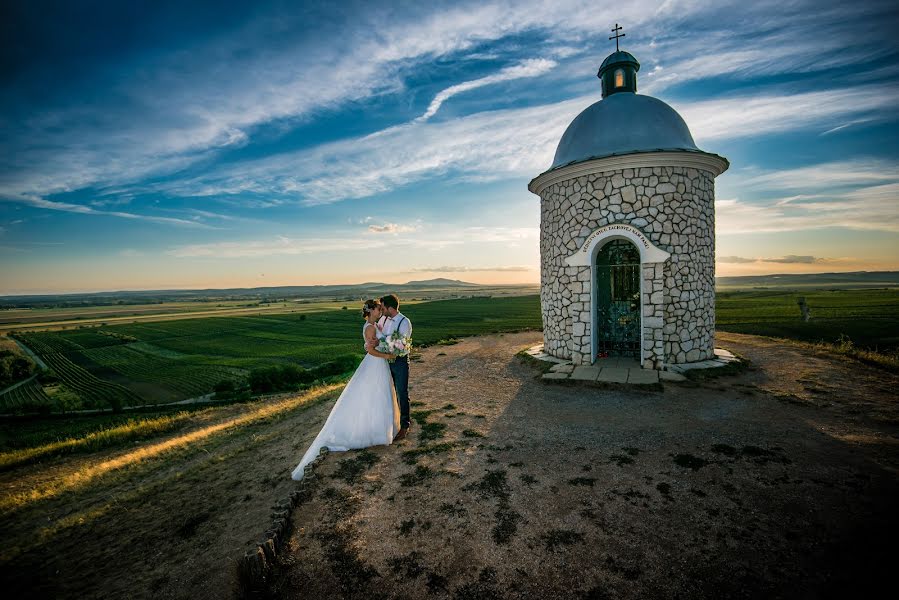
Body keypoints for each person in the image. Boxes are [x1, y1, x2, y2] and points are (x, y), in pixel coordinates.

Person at [290, 299, 400, 480]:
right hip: (375, 363)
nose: (380, 311)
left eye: (381, 308)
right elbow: (371, 351)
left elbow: (373, 344)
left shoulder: (372, 324)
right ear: (371, 310)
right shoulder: (370, 327)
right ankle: (374, 432)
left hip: (377, 364)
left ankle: (377, 429)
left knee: (375, 396)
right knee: (375, 396)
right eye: (378, 309)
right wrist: (388, 354)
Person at [370, 293, 413, 441]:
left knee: (402, 392)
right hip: (385, 361)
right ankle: (392, 422)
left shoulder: (404, 322)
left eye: (383, 307)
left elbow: (400, 344)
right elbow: (378, 333)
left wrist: (380, 342)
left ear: (390, 308)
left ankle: (405, 426)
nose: (381, 310)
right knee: (389, 392)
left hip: (400, 362)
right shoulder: (383, 319)